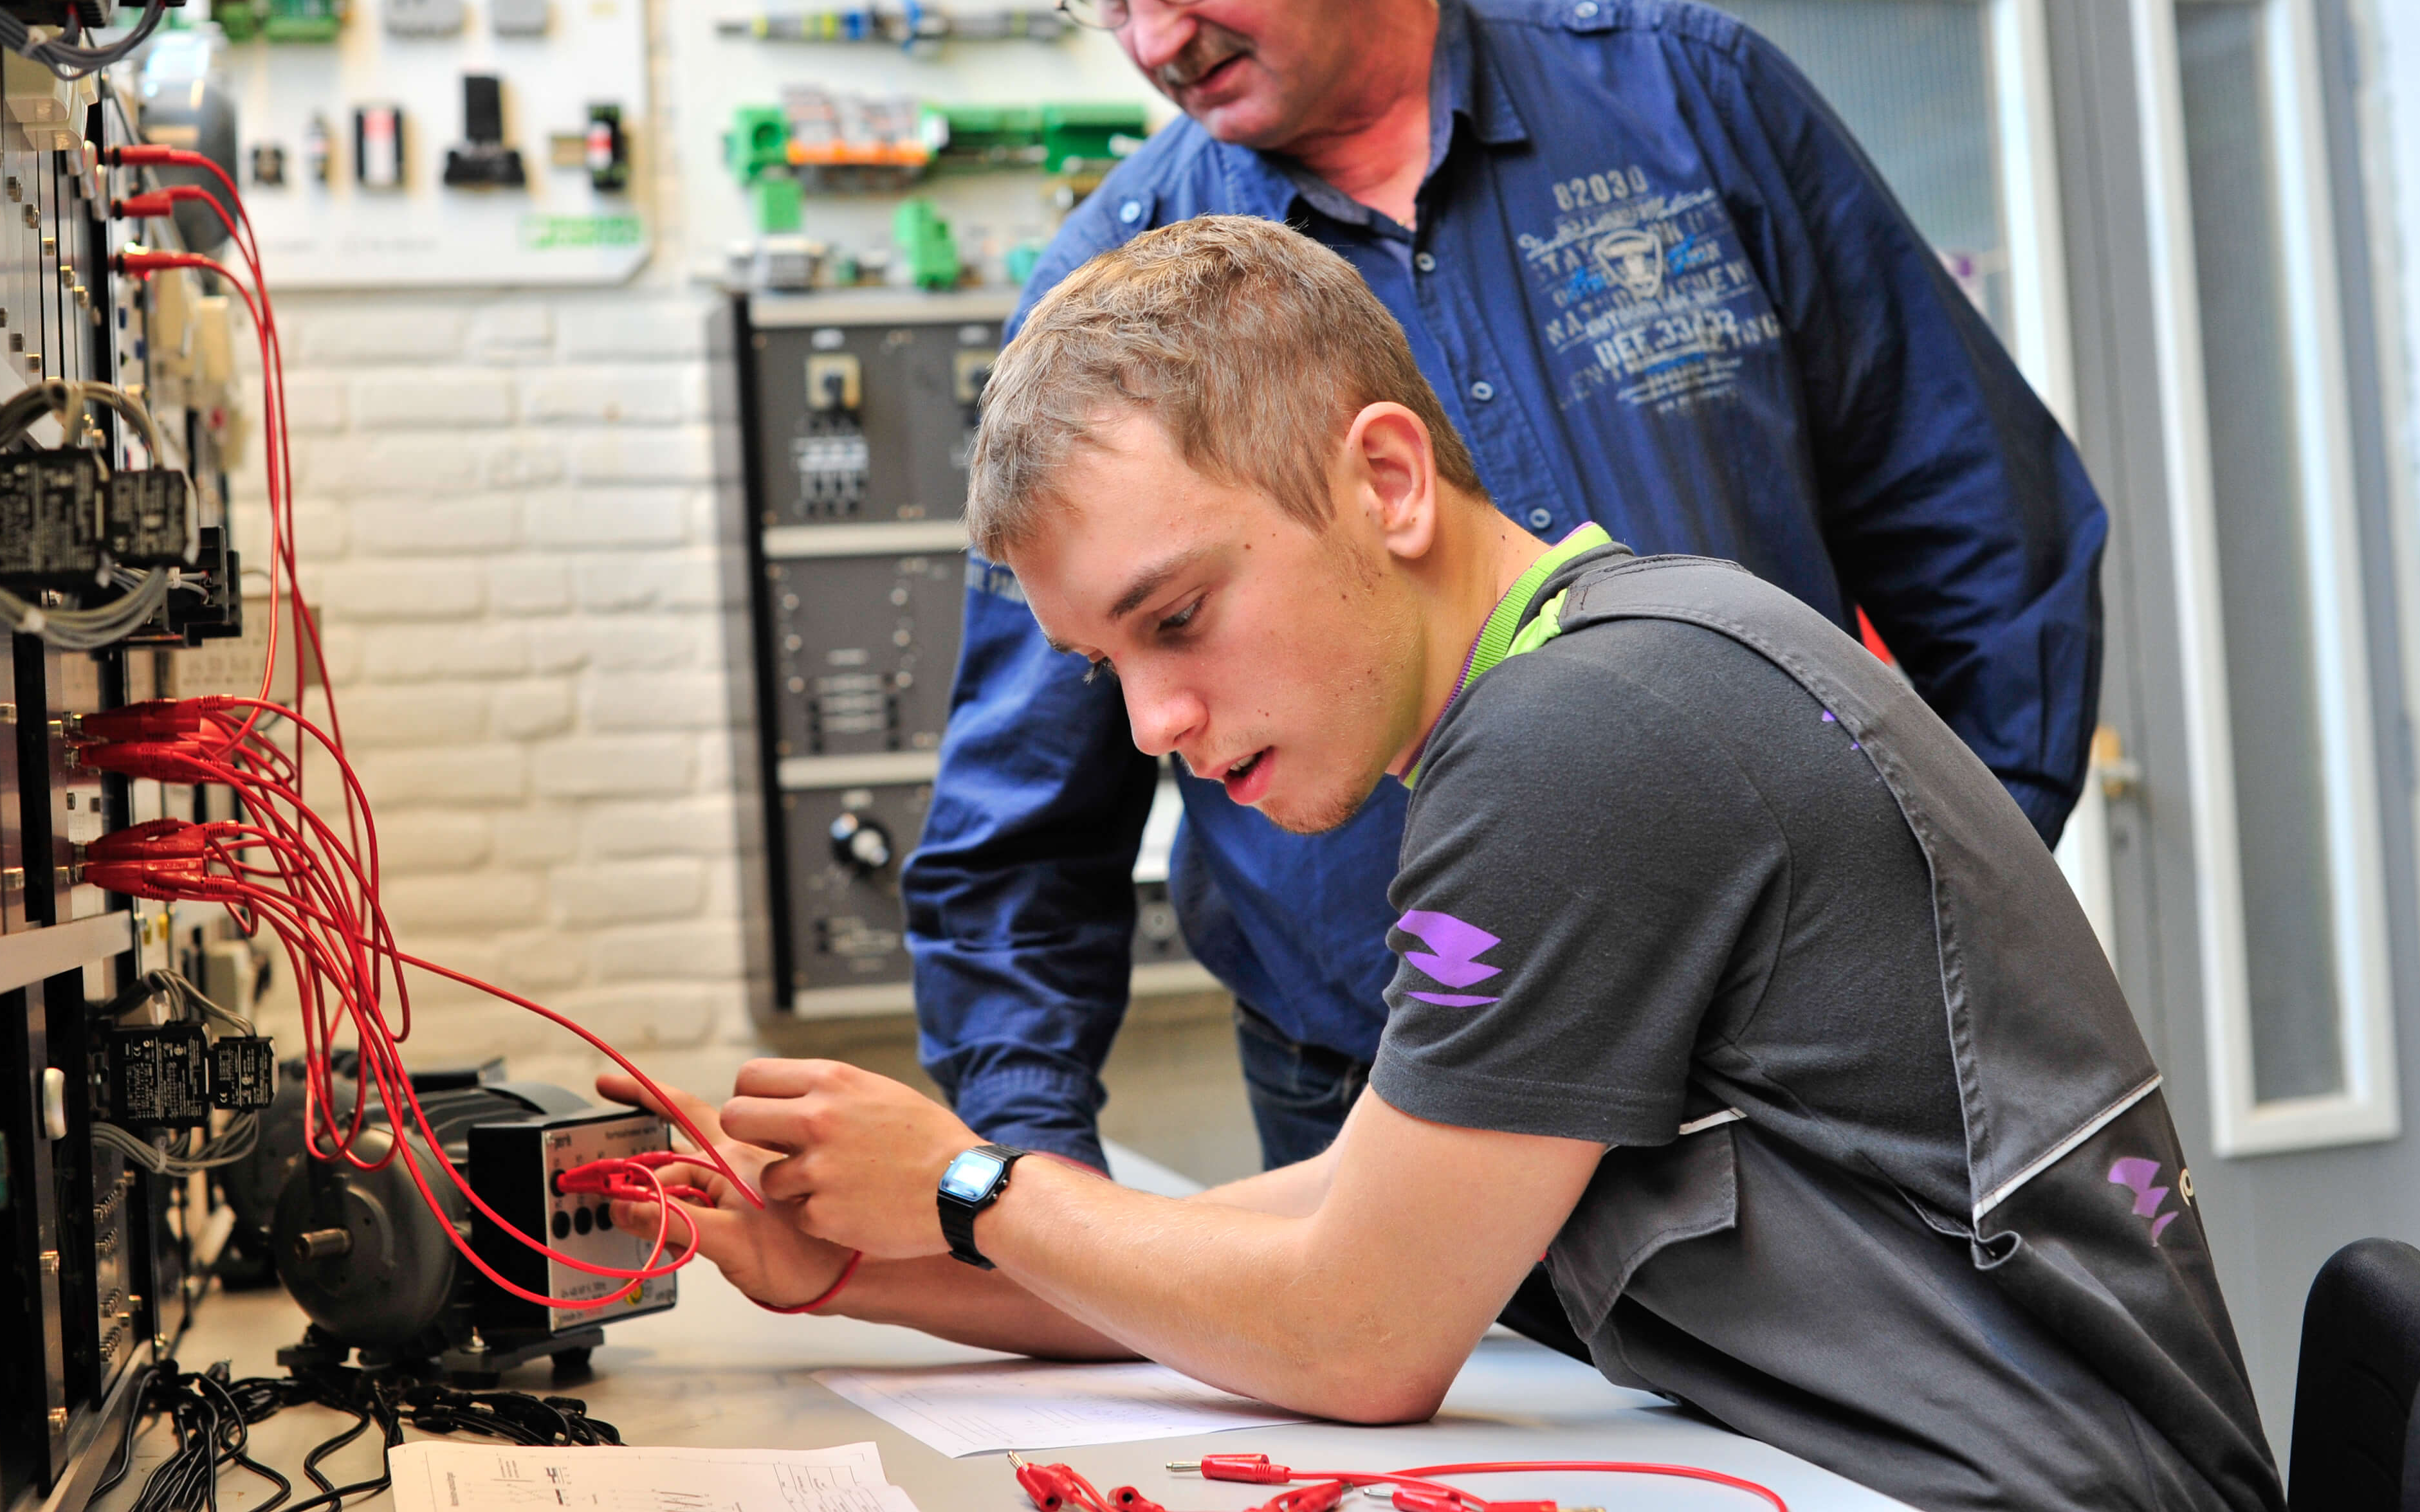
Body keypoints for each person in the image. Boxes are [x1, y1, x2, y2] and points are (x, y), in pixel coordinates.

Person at [605, 218, 2275, 1512]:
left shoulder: (1579, 736)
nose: (1154, 723)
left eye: (1177, 619)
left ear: (1388, 480)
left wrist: (974, 1186)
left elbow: (1358, 1333)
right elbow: (1323, 1227)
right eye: (1105, 665)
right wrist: (881, 1269)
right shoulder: (1614, 662)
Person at [903, 0, 2109, 1183]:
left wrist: (1933, 923)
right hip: (1375, 1092)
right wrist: (1031, 1190)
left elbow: (1989, 547)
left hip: (1791, 1069)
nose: (1155, 37)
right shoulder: (1114, 289)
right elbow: (1023, 811)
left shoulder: (1690, 108)